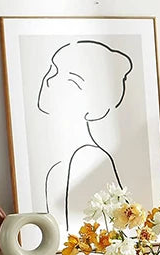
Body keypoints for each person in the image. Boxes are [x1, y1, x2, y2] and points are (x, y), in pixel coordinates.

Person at [37, 40, 133, 231]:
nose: (50, 80)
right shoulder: (62, 162)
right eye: (54, 70)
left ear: (95, 105)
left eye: (71, 80)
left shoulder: (88, 158)